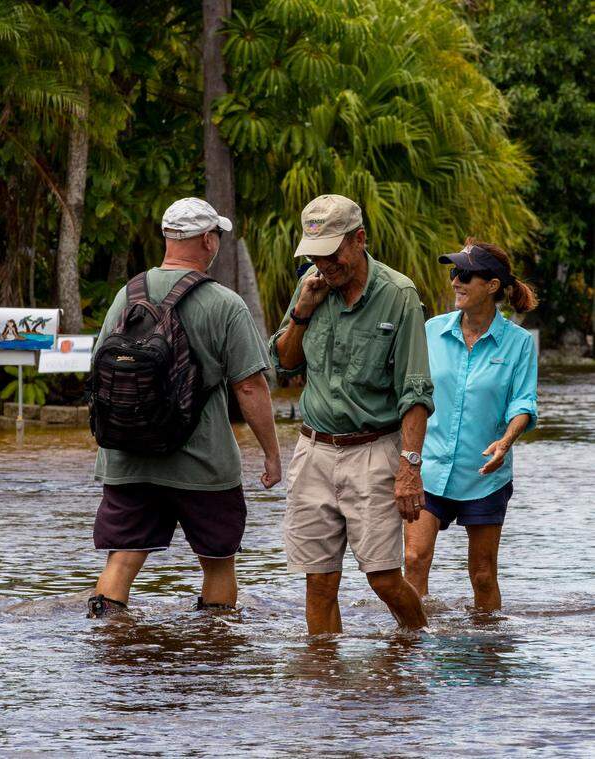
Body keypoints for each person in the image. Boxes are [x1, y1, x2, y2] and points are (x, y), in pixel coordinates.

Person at [87, 197, 283, 618]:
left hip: (127, 458)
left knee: (121, 558)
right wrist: (271, 454)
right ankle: (210, 654)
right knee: (217, 561)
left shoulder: (127, 295)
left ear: (167, 237)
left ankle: (109, 659)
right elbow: (249, 387)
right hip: (203, 466)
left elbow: (97, 372)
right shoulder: (224, 304)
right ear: (209, 240)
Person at [270, 194, 432, 635]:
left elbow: (415, 392)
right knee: (319, 583)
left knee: (382, 579)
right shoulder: (310, 284)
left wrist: (409, 468)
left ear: (359, 240)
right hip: (314, 450)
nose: (324, 264)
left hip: (373, 452)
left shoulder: (399, 295)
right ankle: (326, 690)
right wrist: (301, 312)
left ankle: (416, 645)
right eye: (315, 255)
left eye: (332, 253)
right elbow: (284, 364)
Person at [405, 240, 539, 611]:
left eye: (465, 274)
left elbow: (524, 402)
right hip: (427, 469)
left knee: (482, 574)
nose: (455, 282)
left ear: (492, 285)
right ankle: (411, 650)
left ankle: (487, 653)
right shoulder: (430, 331)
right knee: (414, 559)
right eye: (454, 273)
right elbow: (409, 392)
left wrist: (506, 441)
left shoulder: (519, 343)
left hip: (484, 474)